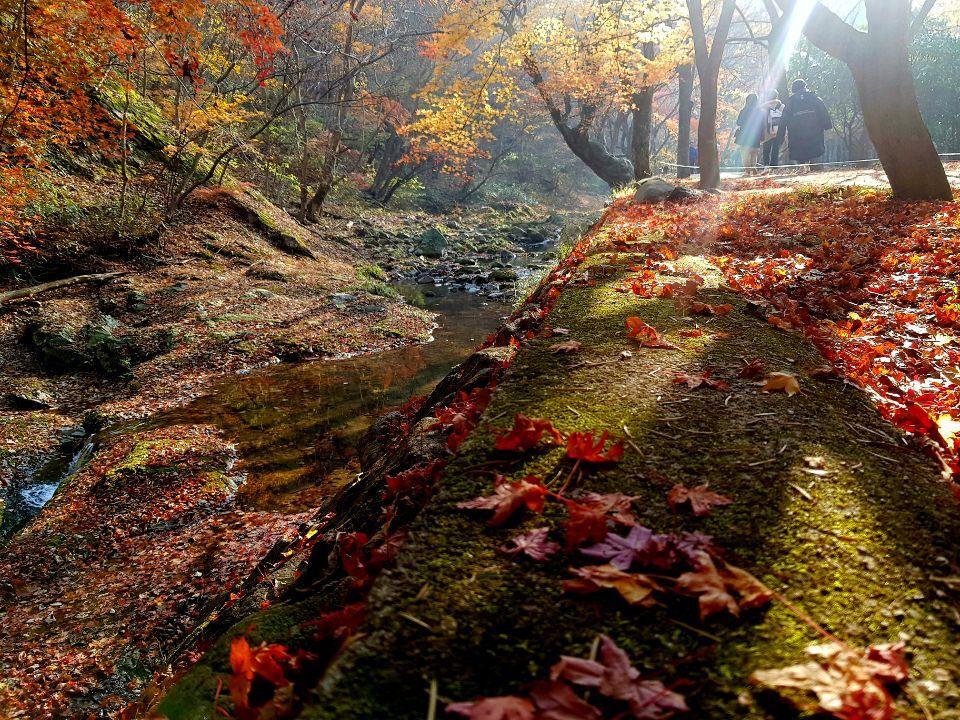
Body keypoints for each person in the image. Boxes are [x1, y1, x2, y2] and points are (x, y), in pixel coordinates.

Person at [776, 79, 832, 166]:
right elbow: (823, 113)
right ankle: (816, 169)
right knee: (816, 157)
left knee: (800, 160)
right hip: (815, 134)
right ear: (805, 86)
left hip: (796, 137)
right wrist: (827, 126)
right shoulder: (815, 98)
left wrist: (780, 137)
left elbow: (783, 121)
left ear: (793, 89)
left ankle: (802, 168)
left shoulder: (790, 102)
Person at [734, 93, 764, 173]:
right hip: (756, 134)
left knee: (745, 153)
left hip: (745, 134)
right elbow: (762, 125)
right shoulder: (760, 111)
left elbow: (738, 122)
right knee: (754, 153)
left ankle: (747, 170)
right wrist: (762, 136)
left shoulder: (743, 111)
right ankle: (753, 167)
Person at [761, 90, 783, 167]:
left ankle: (766, 165)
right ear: (777, 96)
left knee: (766, 149)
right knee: (776, 148)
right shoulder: (781, 106)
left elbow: (761, 119)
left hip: (767, 130)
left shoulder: (763, 107)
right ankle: (774, 166)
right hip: (778, 130)